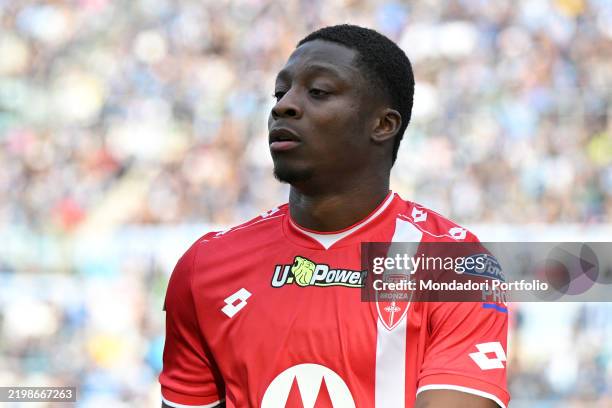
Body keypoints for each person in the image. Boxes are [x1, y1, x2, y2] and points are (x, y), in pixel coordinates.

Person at [159, 24, 509, 408]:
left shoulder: (454, 265)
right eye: (280, 92)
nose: (282, 106)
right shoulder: (206, 266)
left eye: (318, 92)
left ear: (383, 124)